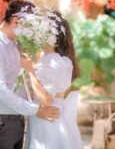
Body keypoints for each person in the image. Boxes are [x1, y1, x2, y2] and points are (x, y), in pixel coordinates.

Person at [0, 0, 60, 149]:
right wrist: (34, 110)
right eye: (30, 28)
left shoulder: (13, 45)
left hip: (16, 118)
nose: (32, 33)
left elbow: (16, 84)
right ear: (16, 22)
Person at [22, 11, 83, 149]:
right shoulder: (45, 59)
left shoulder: (58, 62)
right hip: (40, 119)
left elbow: (47, 99)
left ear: (53, 36)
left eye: (41, 31)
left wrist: (30, 71)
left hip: (49, 123)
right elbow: (41, 93)